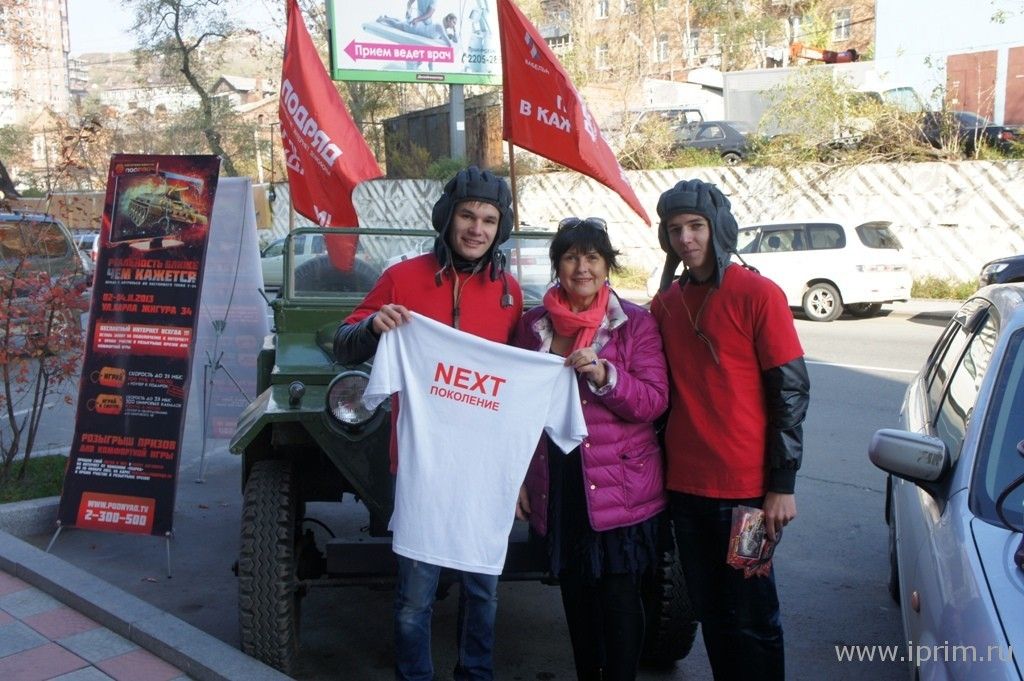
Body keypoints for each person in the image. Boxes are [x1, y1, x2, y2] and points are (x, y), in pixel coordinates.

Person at [333, 166, 523, 681]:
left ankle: (475, 674)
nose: (476, 229)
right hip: (420, 464)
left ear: (500, 228)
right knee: (415, 592)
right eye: (467, 215)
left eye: (488, 219)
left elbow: (522, 377)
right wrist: (373, 326)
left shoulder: (509, 292)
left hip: (484, 467)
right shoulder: (403, 278)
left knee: (483, 589)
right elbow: (343, 342)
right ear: (447, 217)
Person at [649, 179, 810, 681]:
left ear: (718, 227)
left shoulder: (759, 294)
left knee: (753, 615)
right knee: (712, 611)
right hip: (686, 493)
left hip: (748, 498)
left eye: (695, 226)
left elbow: (790, 392)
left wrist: (782, 484)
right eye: (675, 229)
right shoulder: (665, 305)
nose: (685, 239)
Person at [512, 217, 668, 681]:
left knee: (620, 597)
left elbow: (654, 401)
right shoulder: (533, 326)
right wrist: (518, 478)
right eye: (571, 257)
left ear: (607, 265)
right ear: (557, 265)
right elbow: (516, 410)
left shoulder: (634, 324)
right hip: (559, 481)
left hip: (620, 485)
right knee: (575, 594)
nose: (582, 267)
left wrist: (606, 377)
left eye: (593, 257)